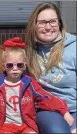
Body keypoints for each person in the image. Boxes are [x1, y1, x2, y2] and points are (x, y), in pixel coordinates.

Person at [0, 37, 73, 133]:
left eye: (20, 65)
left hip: (26, 124)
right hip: (6, 125)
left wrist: (63, 111)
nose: (15, 69)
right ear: (4, 66)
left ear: (25, 65)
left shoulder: (29, 83)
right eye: (10, 65)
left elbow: (45, 97)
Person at [25, 2, 76, 133]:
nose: (48, 27)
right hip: (48, 109)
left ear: (59, 23)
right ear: (34, 25)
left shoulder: (73, 48)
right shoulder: (29, 51)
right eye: (42, 22)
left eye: (52, 21)